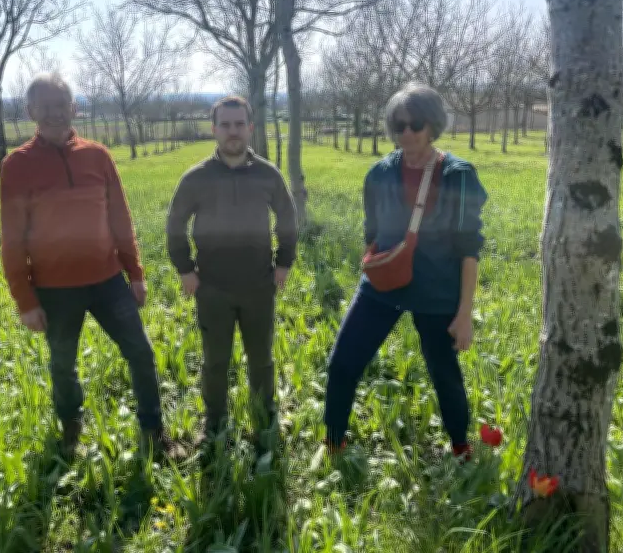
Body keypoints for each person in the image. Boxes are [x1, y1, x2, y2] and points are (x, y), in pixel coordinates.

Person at [0, 72, 184, 461]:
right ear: (31, 111)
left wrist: (135, 274)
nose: (54, 113)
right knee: (63, 364)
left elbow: (120, 218)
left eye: (61, 105)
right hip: (54, 289)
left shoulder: (97, 156)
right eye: (45, 107)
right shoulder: (17, 165)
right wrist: (25, 300)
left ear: (73, 108)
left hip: (107, 280)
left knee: (141, 353)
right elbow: (12, 239)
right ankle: (71, 432)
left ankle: (154, 433)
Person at [323, 82, 488, 461]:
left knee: (443, 372)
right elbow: (371, 234)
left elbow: (469, 249)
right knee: (342, 363)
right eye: (399, 125)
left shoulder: (458, 175)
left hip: (436, 289)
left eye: (416, 124)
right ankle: (333, 443)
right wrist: (370, 272)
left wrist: (464, 314)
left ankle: (461, 448)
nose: (407, 133)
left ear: (433, 125)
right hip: (384, 284)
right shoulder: (379, 174)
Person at [166, 95, 298, 452]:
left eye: (239, 124)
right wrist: (185, 269)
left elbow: (287, 218)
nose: (233, 131)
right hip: (212, 287)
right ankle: (215, 424)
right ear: (214, 129)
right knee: (215, 361)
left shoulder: (268, 174)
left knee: (262, 359)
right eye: (225, 125)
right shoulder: (196, 178)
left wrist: (284, 262)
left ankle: (264, 419)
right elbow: (175, 225)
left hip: (259, 284)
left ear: (250, 128)